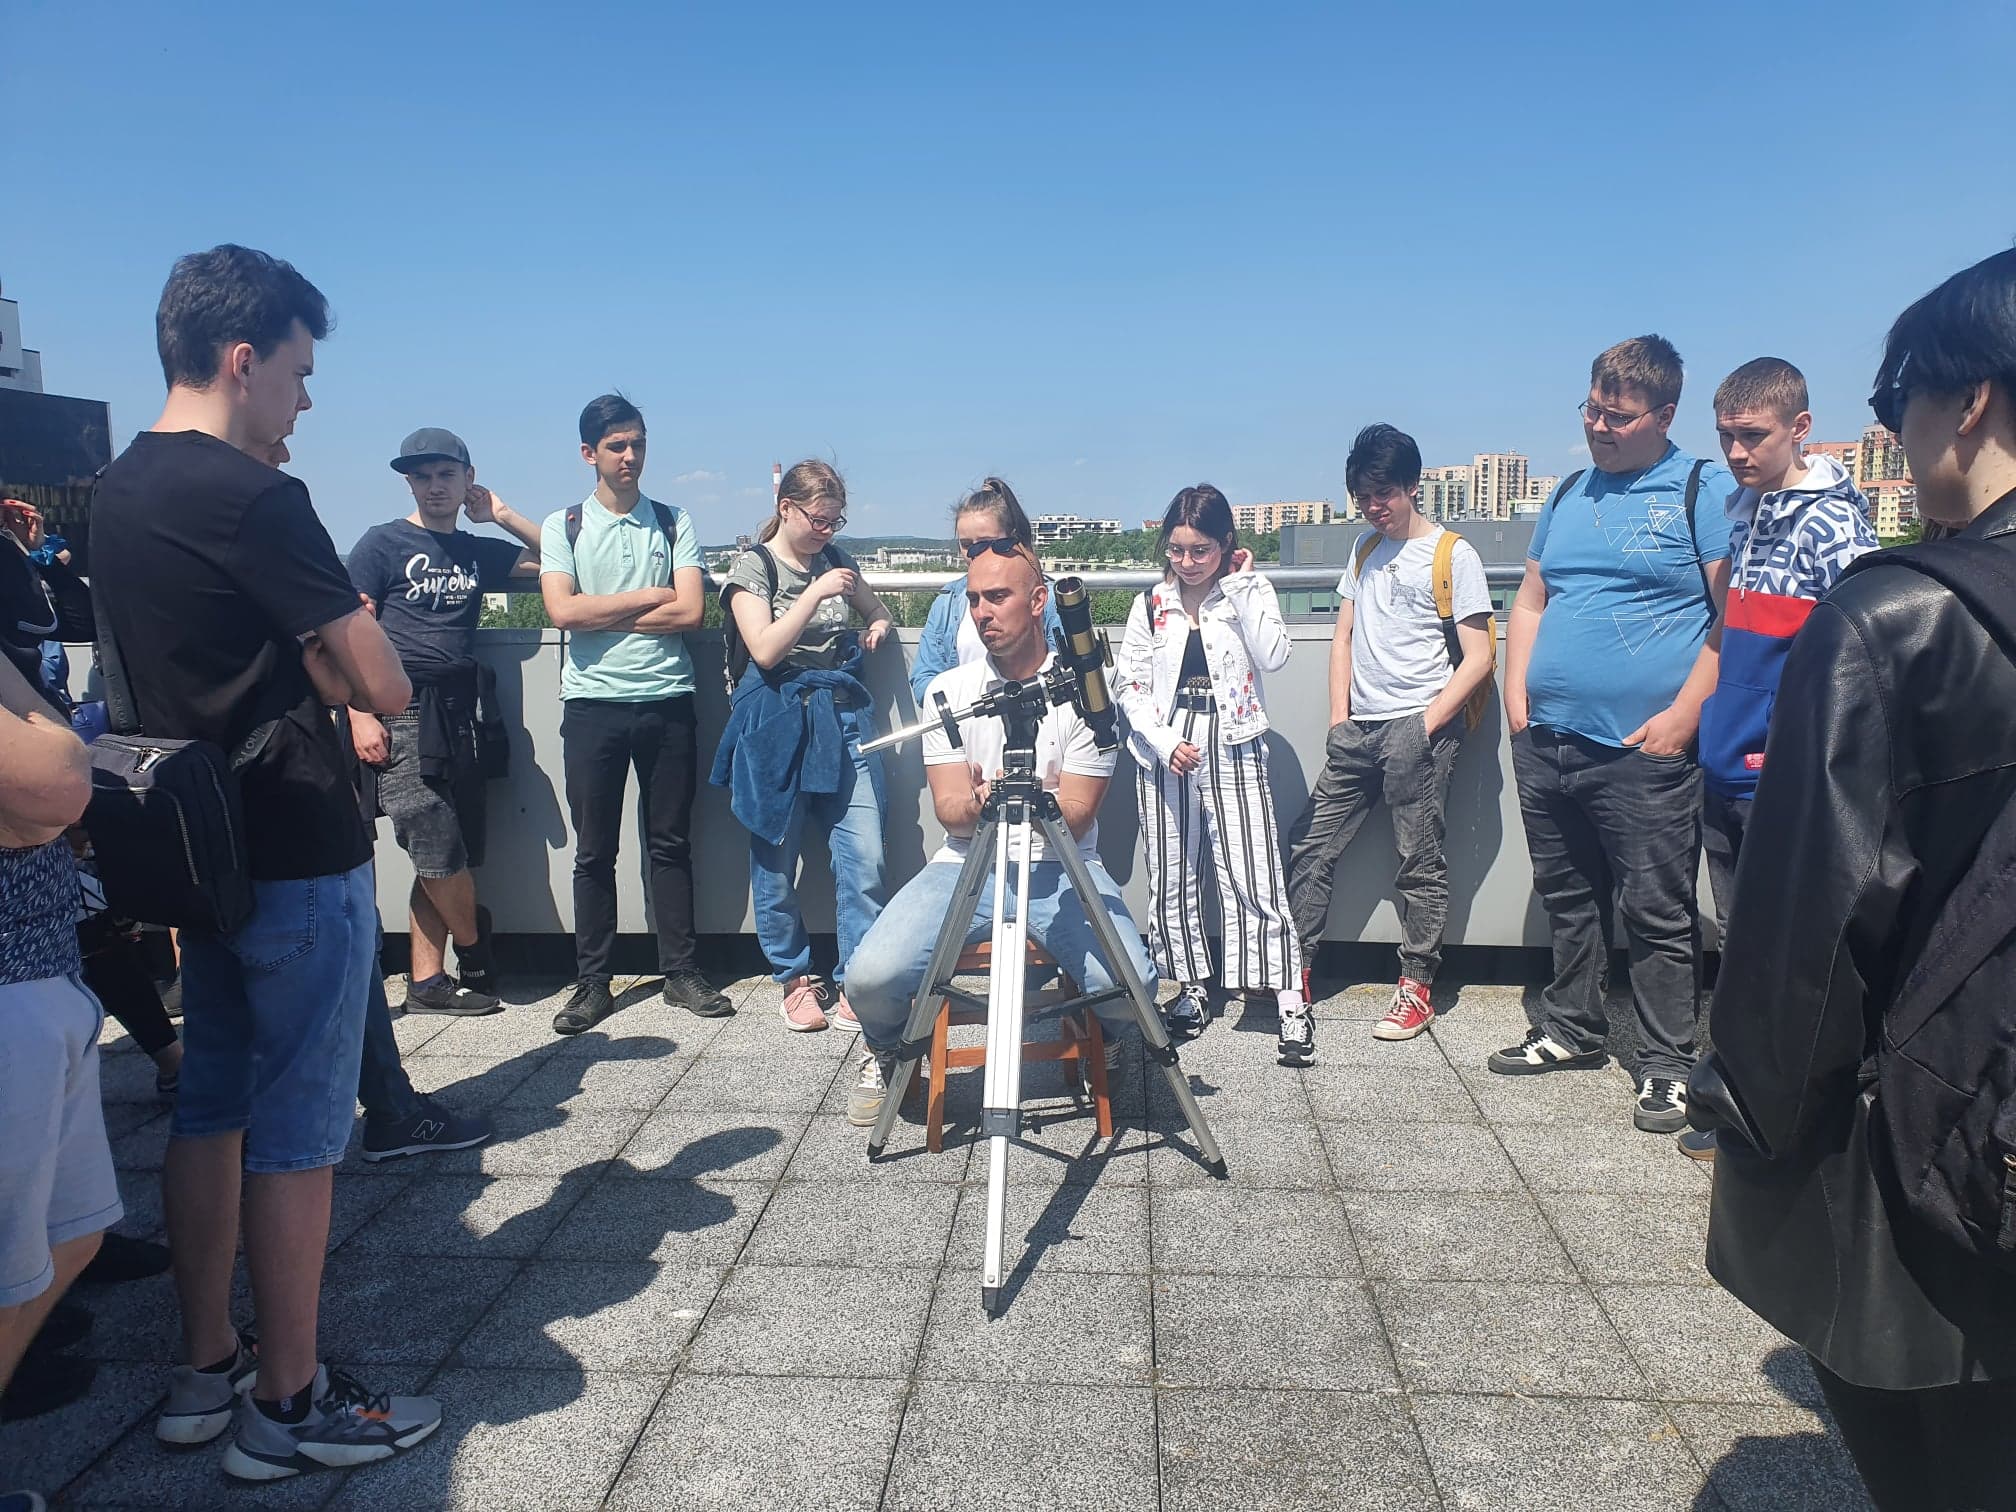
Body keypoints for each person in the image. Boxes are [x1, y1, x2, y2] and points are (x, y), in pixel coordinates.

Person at [89, 245, 439, 1480]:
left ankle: (207, 1369)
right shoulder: (256, 499)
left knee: (210, 1106)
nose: (305, 398)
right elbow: (385, 682)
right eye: (298, 372)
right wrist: (334, 656)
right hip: (292, 843)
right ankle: (290, 1403)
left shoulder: (116, 489)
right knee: (298, 1128)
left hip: (192, 853)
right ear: (244, 359)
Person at [1687, 248, 2016, 1512]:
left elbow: (1804, 946)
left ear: (1969, 399)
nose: (1901, 431)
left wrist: (1749, 1117)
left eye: (1902, 400)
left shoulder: (1897, 622)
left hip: (1932, 1152)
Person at [1493, 335, 1734, 1135]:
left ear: (1664, 414)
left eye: (1618, 416)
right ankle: (1572, 1028)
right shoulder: (1569, 492)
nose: (1599, 426)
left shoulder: (1700, 489)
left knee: (1657, 913)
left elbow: (1731, 618)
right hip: (1548, 740)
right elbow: (1531, 600)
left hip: (1643, 750)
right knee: (1568, 897)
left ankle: (1667, 1064)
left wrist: (1683, 716)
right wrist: (1517, 698)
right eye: (1592, 410)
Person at [842, 542, 1155, 1123]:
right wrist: (985, 802)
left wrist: (1024, 796)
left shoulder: (1087, 691)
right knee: (869, 978)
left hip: (1060, 864)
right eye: (974, 599)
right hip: (968, 862)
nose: (982, 612)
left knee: (1134, 987)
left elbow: (1078, 814)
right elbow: (951, 810)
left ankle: (1107, 1038)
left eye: (998, 596)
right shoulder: (949, 692)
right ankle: (888, 1051)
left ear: (1038, 602)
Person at [1678, 360, 1876, 1162]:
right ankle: (1740, 1101)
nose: (1735, 452)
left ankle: (1783, 1118)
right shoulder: (1746, 511)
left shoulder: (1835, 529)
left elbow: (1859, 660)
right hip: (1727, 760)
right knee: (1740, 941)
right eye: (1725, 435)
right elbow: (1733, 636)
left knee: (1783, 949)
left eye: (1752, 435)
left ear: (1799, 428)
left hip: (1782, 773)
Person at [1285, 425, 1495, 1044]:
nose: (1374, 506)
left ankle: (1417, 985)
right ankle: (1295, 972)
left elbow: (1479, 656)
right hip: (1358, 729)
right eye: (1363, 496)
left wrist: (1421, 728)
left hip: (1421, 729)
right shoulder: (1364, 548)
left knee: (1418, 860)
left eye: (1384, 493)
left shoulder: (1453, 555)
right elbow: (1343, 637)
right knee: (1310, 847)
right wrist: (1337, 718)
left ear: (1411, 485)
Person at [539, 395, 730, 1034]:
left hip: (667, 700)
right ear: (588, 453)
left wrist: (602, 610)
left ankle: (681, 971)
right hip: (592, 704)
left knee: (670, 844)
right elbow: (562, 613)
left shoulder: (674, 521)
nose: (630, 456)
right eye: (616, 446)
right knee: (594, 851)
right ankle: (592, 981)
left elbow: (691, 612)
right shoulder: (563, 525)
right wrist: (651, 595)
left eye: (638, 444)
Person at [346, 428, 542, 1015]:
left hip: (461, 711)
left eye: (446, 475)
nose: (434, 487)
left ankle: (427, 981)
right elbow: (344, 630)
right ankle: (475, 944)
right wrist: (358, 712)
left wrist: (500, 515)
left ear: (467, 479)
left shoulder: (477, 550)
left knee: (445, 847)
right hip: (400, 708)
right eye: (422, 477)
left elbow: (564, 560)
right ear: (409, 483)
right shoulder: (381, 543)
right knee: (429, 833)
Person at [1115, 484, 1307, 1059]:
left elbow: (1274, 656)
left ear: (1226, 544)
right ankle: (1191, 987)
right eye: (1177, 550)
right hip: (1168, 738)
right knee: (1171, 869)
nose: (1188, 562)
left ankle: (1288, 1000)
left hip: (1235, 734)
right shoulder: (1152, 604)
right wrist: (1162, 740)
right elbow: (1130, 684)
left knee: (1254, 866)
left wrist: (1243, 584)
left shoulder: (1248, 590)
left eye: (1201, 550)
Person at [714, 460, 894, 1033]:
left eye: (835, 521)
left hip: (842, 718)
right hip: (777, 721)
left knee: (865, 853)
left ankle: (858, 978)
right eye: (818, 520)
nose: (827, 531)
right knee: (776, 856)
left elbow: (877, 608)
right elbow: (765, 650)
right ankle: (793, 979)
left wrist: (877, 624)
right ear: (786, 508)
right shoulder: (754, 568)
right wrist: (814, 593)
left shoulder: (838, 560)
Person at [0, 653, 112, 1512]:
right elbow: (59, 784)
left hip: (42, 968)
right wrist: (56, 749)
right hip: (11, 991)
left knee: (73, 1236)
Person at [907, 476, 1062, 705]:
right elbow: (924, 679)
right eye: (966, 545)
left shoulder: (1049, 600)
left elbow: (1066, 671)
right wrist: (974, 707)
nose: (975, 553)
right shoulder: (947, 604)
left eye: (986, 542)